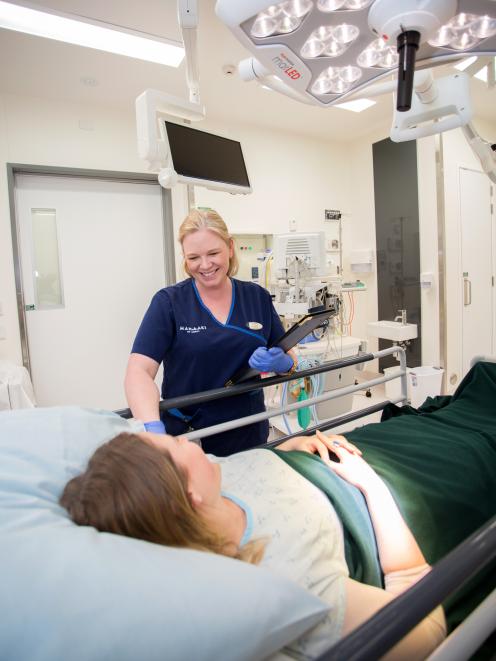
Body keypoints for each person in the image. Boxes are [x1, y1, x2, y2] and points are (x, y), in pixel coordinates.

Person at [60, 430, 446, 659]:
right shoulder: (294, 584)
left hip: (336, 449)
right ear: (189, 495)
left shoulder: (213, 473)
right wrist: (371, 485)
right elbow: (427, 622)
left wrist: (286, 448)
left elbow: (245, 466)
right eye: (179, 441)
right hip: (384, 483)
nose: (191, 441)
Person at [124, 208, 296, 456]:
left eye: (213, 253)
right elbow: (138, 371)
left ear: (230, 247)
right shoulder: (169, 303)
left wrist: (282, 361)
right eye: (193, 257)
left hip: (246, 430)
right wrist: (152, 428)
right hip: (189, 437)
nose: (205, 265)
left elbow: (290, 358)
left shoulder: (256, 297)